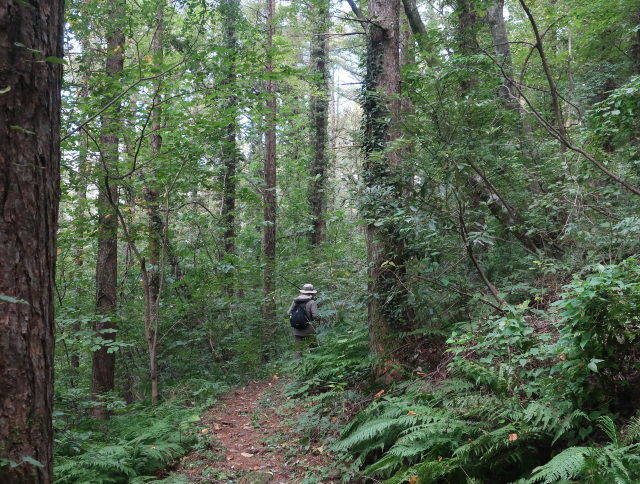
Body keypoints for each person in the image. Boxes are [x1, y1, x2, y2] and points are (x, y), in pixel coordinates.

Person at [287, 283, 320, 359]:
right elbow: (315, 316)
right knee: (313, 347)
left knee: (298, 349)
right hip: (309, 329)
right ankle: (314, 363)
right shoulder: (312, 302)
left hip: (297, 329)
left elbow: (288, 313)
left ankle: (297, 365)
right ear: (311, 293)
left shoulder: (295, 301)